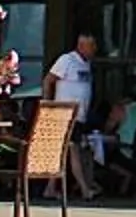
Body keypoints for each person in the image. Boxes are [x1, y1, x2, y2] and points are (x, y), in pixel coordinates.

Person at [43, 32, 103, 200]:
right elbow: (49, 80)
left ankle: (50, 187)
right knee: (72, 150)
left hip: (79, 115)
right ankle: (85, 189)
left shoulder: (87, 64)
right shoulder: (67, 60)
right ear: (82, 46)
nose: (94, 49)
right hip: (65, 114)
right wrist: (47, 105)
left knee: (63, 152)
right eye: (91, 46)